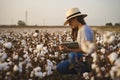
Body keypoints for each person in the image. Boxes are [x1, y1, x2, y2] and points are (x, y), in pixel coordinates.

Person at [57, 8, 95, 74]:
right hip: (82, 57)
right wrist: (67, 47)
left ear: (75, 18)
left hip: (86, 59)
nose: (69, 24)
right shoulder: (81, 29)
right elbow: (82, 47)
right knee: (60, 66)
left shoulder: (84, 30)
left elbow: (86, 50)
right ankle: (79, 71)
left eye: (70, 21)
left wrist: (68, 49)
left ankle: (82, 72)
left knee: (69, 58)